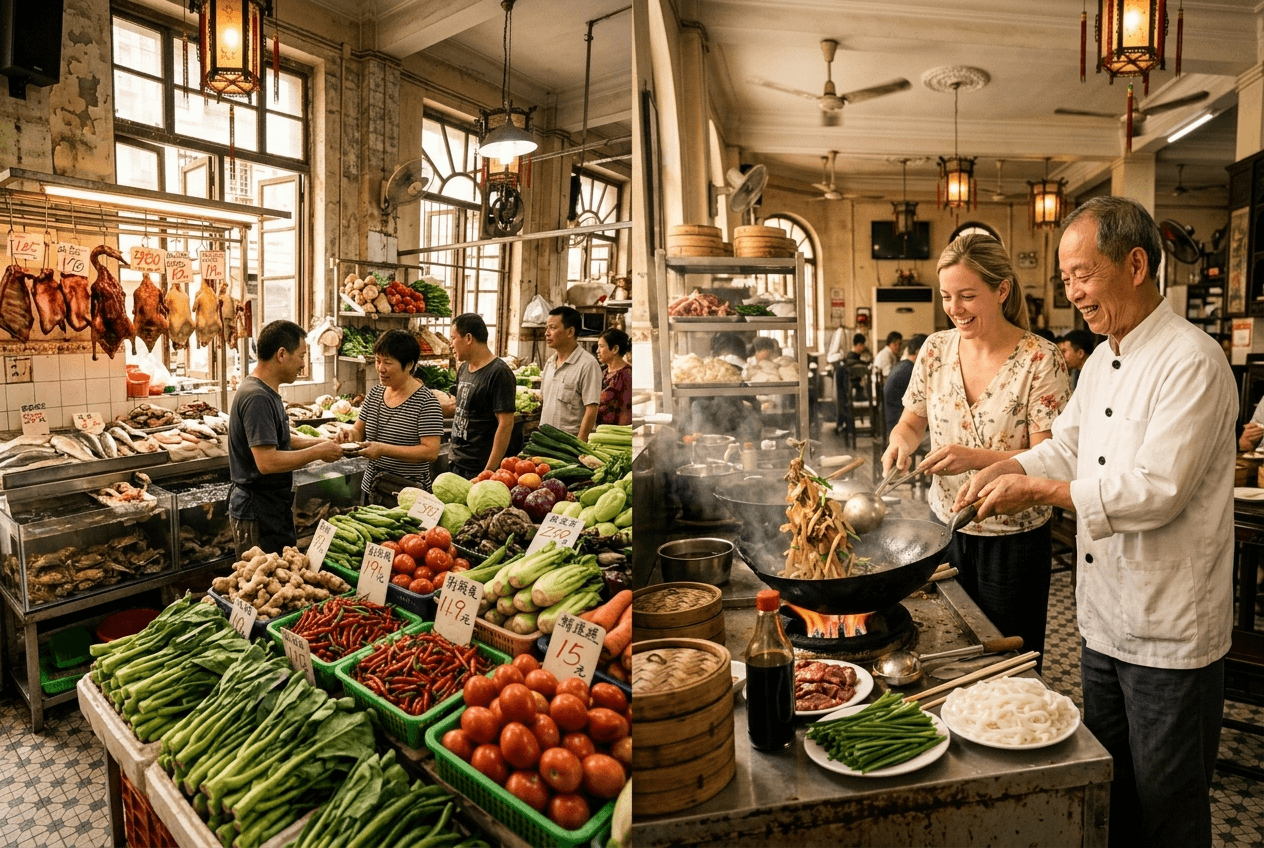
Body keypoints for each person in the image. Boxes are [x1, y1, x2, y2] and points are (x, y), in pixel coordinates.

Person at [956, 196, 1235, 848]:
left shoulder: (1191, 359)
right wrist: (1006, 466)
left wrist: (1040, 490)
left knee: (1169, 806)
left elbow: (1155, 491)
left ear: (1135, 264)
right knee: (1109, 789)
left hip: (1171, 634)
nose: (1072, 292)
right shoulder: (1105, 360)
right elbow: (1069, 447)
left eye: (1082, 274)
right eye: (1065, 279)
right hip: (1103, 622)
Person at [883, 234, 1070, 671]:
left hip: (1013, 538)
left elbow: (1051, 456)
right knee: (942, 651)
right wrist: (900, 444)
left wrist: (975, 458)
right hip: (943, 528)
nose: (955, 308)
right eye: (947, 296)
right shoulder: (935, 349)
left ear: (1001, 290)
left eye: (968, 296)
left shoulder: (1040, 358)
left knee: (1009, 663)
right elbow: (912, 421)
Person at [228, 320, 343, 556]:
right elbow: (267, 461)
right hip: (257, 510)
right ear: (281, 354)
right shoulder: (257, 397)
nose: (303, 364)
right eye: (301, 356)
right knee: (262, 584)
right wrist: (319, 453)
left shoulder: (266, 391)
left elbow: (283, 439)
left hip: (271, 507)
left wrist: (322, 442)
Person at [337, 329, 443, 501]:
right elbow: (358, 431)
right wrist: (349, 435)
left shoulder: (426, 402)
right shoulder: (375, 393)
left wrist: (383, 449)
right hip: (372, 487)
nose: (380, 368)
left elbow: (430, 452)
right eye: (378, 361)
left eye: (387, 362)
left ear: (408, 365)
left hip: (408, 493)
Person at [440, 314, 516, 478]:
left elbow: (506, 424)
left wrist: (488, 472)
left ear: (468, 338)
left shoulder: (499, 373)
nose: (451, 344)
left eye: (453, 338)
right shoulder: (464, 369)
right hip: (457, 462)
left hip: (479, 466)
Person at [541, 306, 602, 441]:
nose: (547, 333)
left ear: (570, 332)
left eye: (553, 328)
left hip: (569, 445)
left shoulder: (587, 364)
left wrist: (578, 446)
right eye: (547, 328)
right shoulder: (550, 363)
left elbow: (591, 409)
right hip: (545, 443)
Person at [882, 333, 925, 439]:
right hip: (901, 432)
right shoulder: (911, 372)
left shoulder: (901, 366)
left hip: (893, 424)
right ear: (918, 352)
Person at [596, 327, 632, 426]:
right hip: (598, 431)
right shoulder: (602, 372)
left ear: (615, 349)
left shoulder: (627, 375)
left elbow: (626, 411)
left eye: (601, 346)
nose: (597, 351)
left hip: (614, 435)